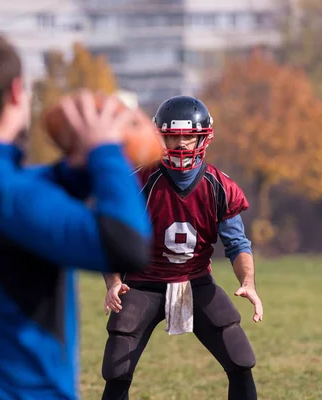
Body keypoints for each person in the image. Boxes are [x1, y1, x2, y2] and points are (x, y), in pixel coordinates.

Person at [0, 31, 152, 400]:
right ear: (17, 93)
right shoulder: (10, 198)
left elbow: (21, 195)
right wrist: (107, 153)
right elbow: (127, 244)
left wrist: (72, 171)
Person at [100, 95, 264, 400]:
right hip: (144, 284)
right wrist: (114, 281)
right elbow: (112, 240)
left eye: (189, 136)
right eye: (172, 136)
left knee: (241, 361)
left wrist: (248, 282)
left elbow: (237, 243)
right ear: (159, 137)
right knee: (117, 369)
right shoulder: (140, 183)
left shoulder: (219, 186)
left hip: (196, 281)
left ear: (205, 137)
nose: (181, 144)